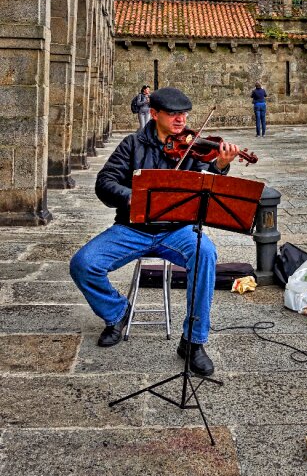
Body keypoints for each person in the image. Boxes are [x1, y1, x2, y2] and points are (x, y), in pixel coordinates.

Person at [70, 87, 242, 376]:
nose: (180, 120)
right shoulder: (132, 144)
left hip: (176, 230)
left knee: (206, 254)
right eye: (173, 114)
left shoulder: (191, 145)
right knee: (83, 264)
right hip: (132, 228)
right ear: (154, 114)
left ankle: (193, 341)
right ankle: (116, 313)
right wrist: (134, 196)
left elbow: (208, 184)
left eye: (184, 114)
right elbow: (105, 183)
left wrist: (221, 165)